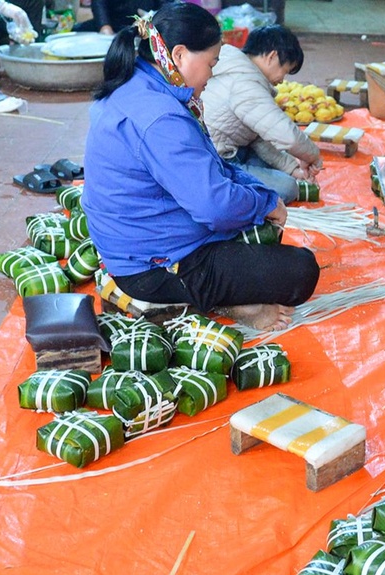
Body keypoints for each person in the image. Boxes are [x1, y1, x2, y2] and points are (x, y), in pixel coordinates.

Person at [82, 2, 319, 331]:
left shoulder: (141, 83)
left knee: (263, 231)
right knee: (301, 271)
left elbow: (210, 166)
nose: (212, 74)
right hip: (152, 267)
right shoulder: (161, 116)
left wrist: (260, 196)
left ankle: (215, 291)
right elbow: (215, 206)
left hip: (142, 243)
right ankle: (222, 302)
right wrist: (264, 203)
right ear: (179, 55)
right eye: (211, 63)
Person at [201, 25, 322, 202]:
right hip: (218, 161)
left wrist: (292, 168)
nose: (282, 80)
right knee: (287, 188)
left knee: (279, 168)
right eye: (286, 70)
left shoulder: (236, 65)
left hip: (233, 149)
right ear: (272, 56)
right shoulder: (246, 82)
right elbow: (288, 137)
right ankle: (230, 189)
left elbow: (259, 138)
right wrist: (313, 157)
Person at [74, 0, 161, 34]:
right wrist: (104, 25)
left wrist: (149, 16)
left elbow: (168, 5)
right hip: (113, 22)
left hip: (148, 22)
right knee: (76, 31)